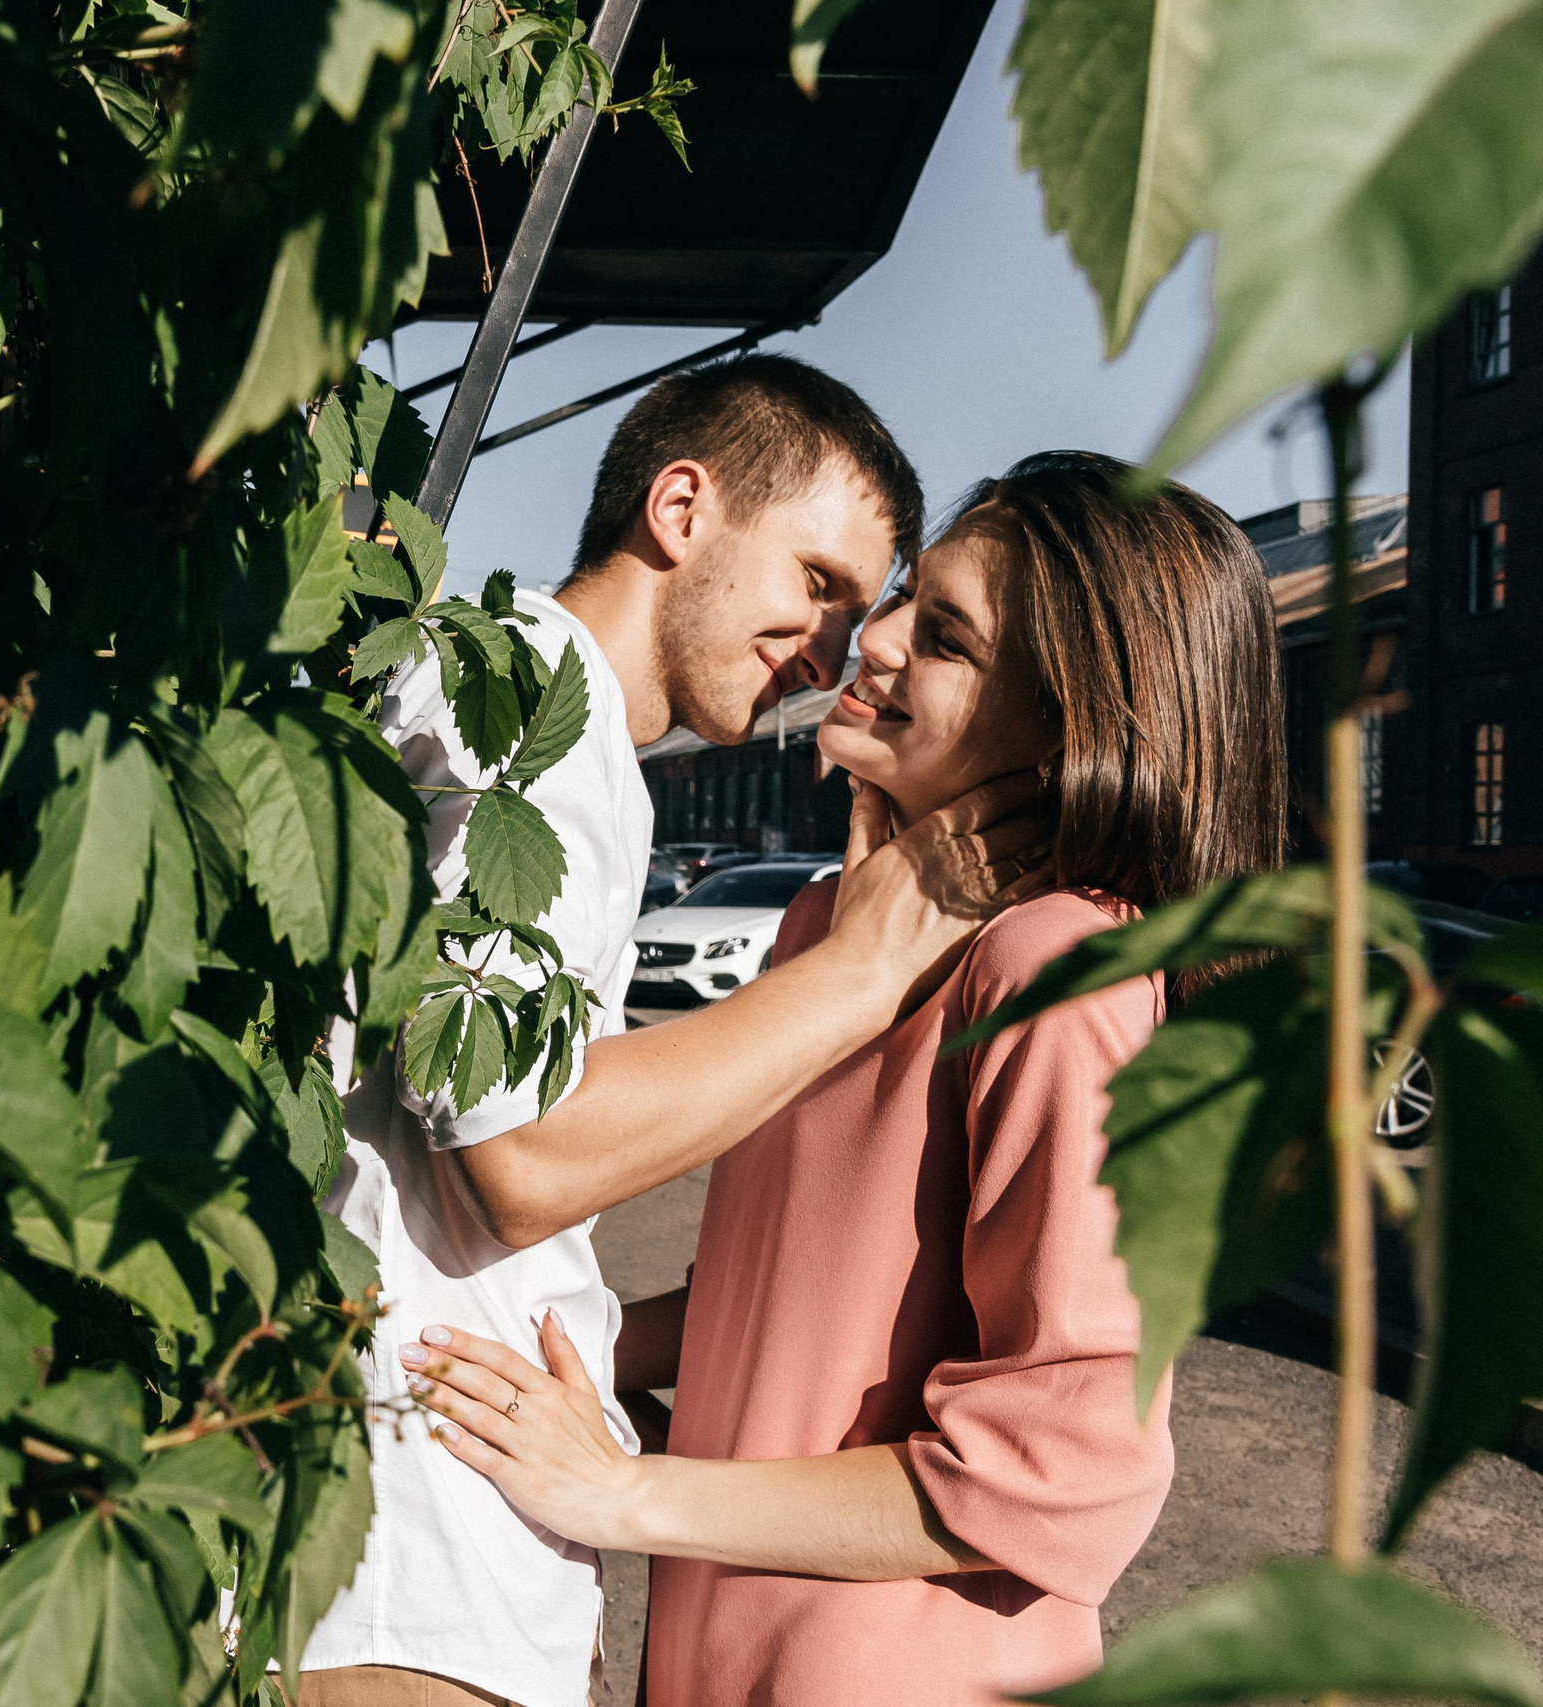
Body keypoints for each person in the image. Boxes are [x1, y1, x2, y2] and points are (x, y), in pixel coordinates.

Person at [404, 451, 1288, 1706]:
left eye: (942, 636)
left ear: (1062, 724)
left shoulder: (1058, 967)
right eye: (901, 603)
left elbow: (1060, 1466)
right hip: (723, 1656)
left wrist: (617, 1490)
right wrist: (549, 1348)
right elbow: (796, 1300)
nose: (863, 646)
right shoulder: (826, 930)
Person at [301, 358, 1053, 1707]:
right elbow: (517, 1155)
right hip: (404, 1570)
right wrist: (859, 971)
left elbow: (455, 1192)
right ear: (684, 506)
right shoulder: (536, 709)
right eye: (818, 581)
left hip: (438, 1544)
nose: (833, 650)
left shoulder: (564, 737)